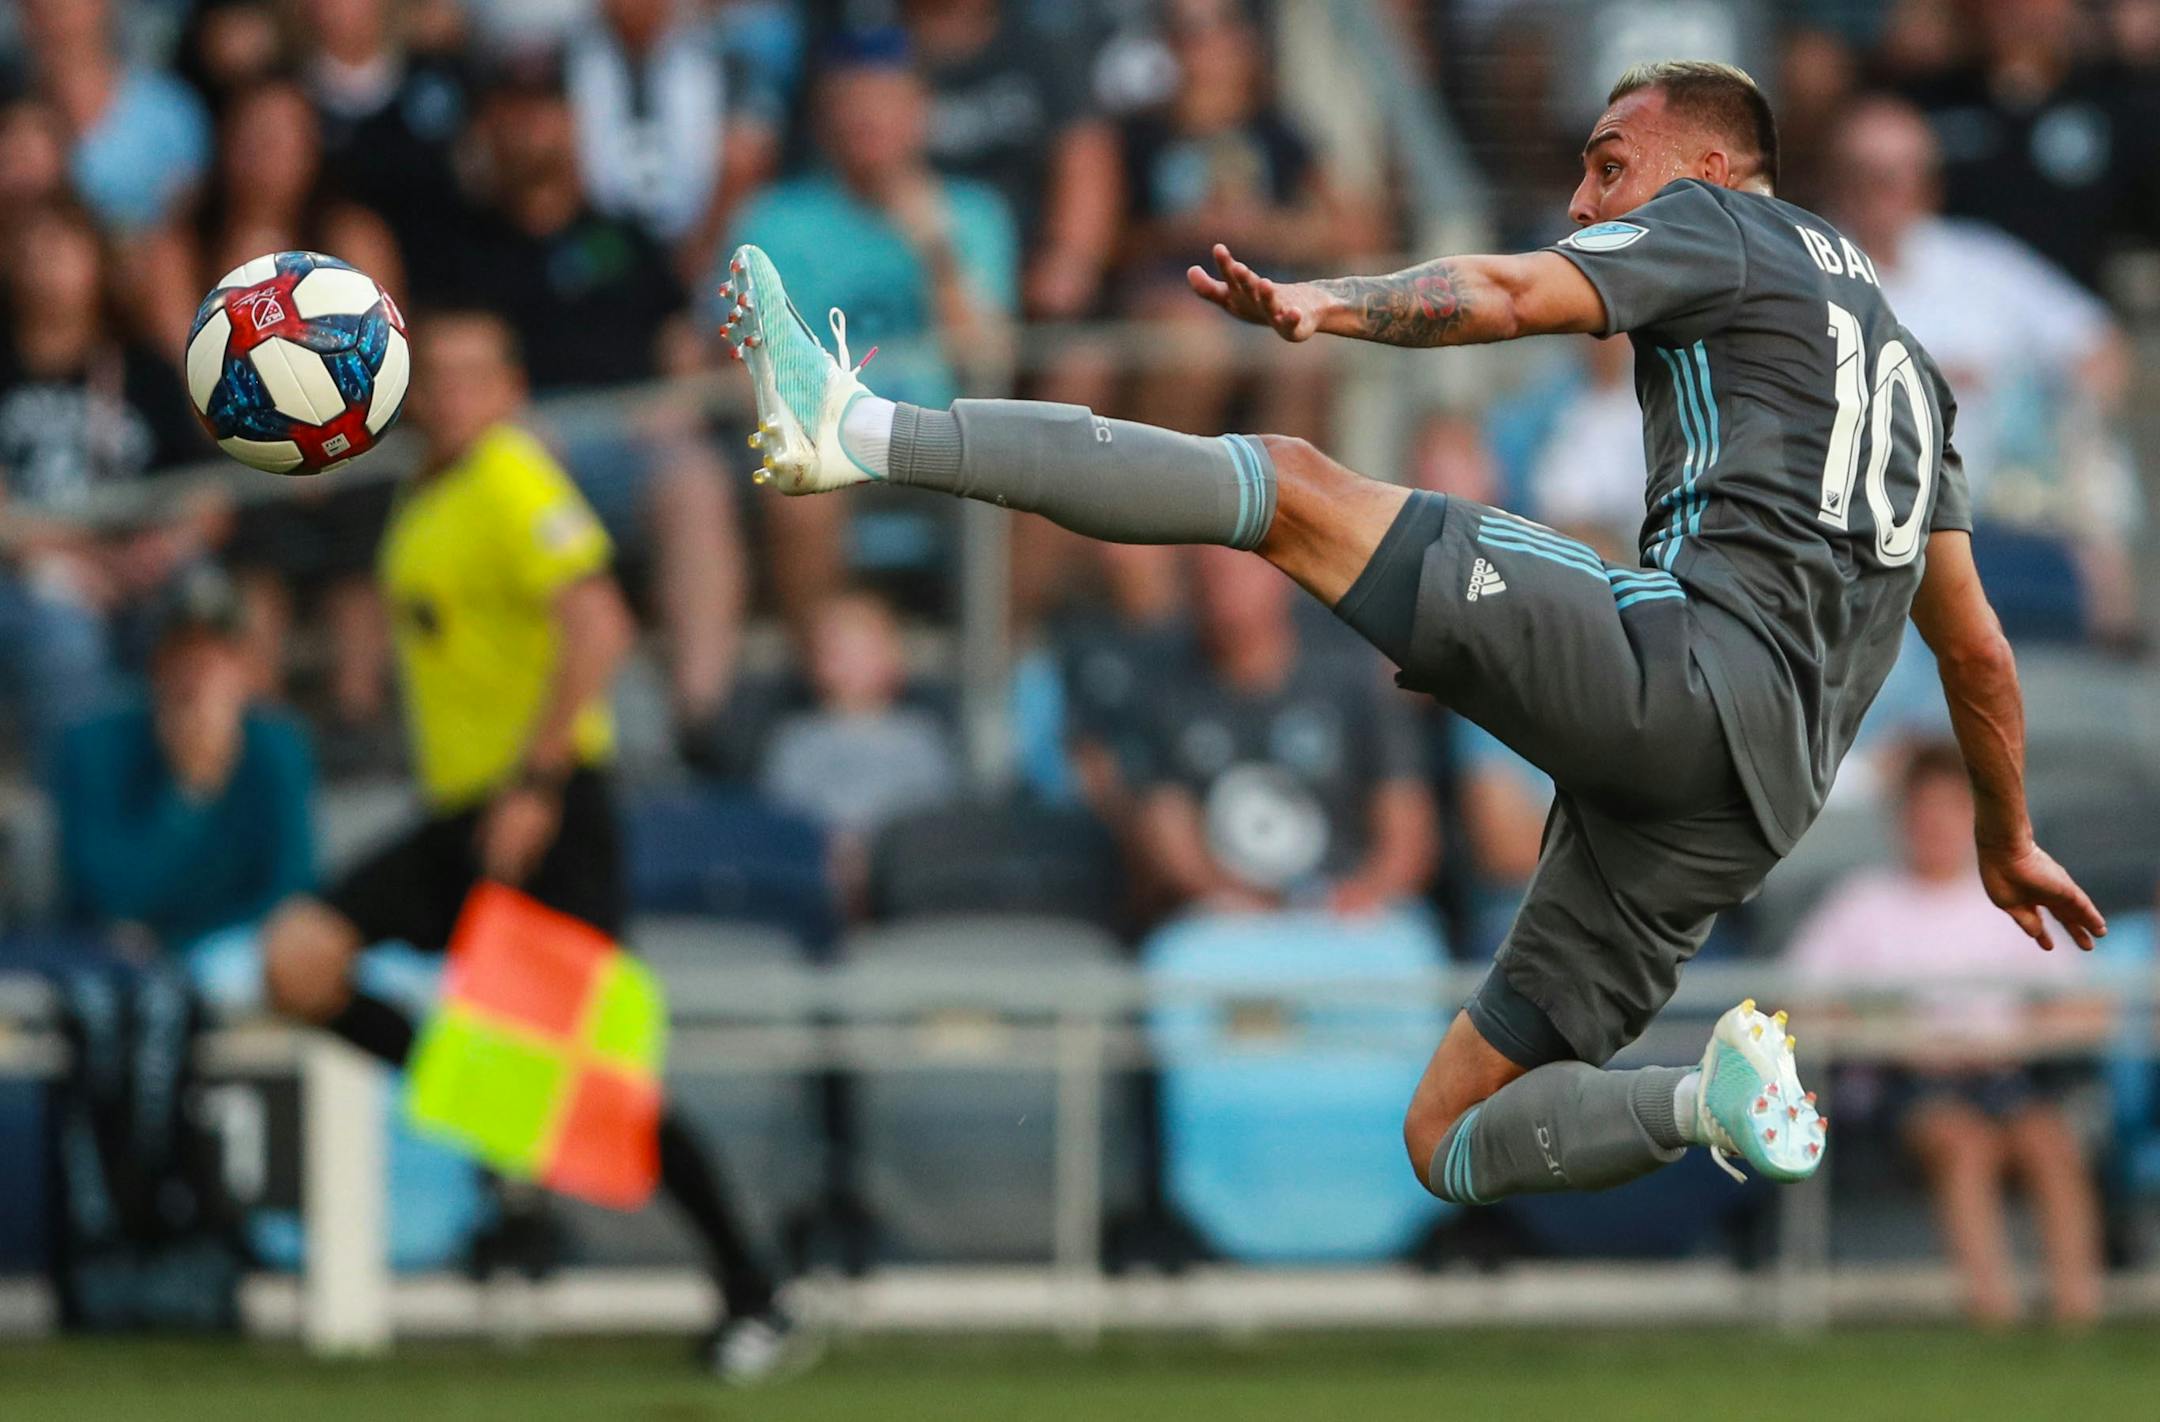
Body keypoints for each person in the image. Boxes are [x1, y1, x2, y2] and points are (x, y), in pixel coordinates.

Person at [716, 59, 2107, 1210]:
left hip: (1686, 670)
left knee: (1290, 481)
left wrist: (1337, 302)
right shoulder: (1917, 386)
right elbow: (1975, 651)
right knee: (1446, 1134)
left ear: (1705, 165)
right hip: (1752, 805)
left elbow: (1510, 295)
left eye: (1609, 164)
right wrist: (2007, 834)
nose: (1583, 198)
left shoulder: (1727, 226)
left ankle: (861, 428)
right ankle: (1711, 1098)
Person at [255, 311, 805, 1382]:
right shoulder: (429, 490)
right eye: (439, 376)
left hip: (542, 810)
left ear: (509, 389)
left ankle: (757, 1288)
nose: (452, 394)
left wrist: (541, 779)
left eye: (475, 375)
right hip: (466, 809)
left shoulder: (513, 478)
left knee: (603, 1090)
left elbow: (598, 622)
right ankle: (499, 1103)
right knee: (300, 964)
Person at [1787, 742, 2108, 1327]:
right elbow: (1796, 1004)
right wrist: (1893, 1036)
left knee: (2052, 1143)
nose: (1933, 823)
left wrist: (2007, 1041)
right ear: (1901, 817)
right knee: (1963, 1144)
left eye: (1949, 808)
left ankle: (2077, 1317)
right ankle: (1994, 1317)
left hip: (2007, 1078)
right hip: (1903, 1088)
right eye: (1922, 808)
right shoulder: (1861, 905)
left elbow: (2088, 1008)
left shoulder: (2013, 900)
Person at [1829, 94, 2139, 642]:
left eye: (1905, 173)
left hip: (2014, 500)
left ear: (1931, 181)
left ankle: (2104, 615)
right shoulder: (1811, 275)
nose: (1888, 190)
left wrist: (2064, 422)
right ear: (1837, 181)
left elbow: (2100, 346)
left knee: (2090, 464)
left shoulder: (1980, 262)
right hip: (1882, 517)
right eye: (1868, 174)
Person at [0, 201, 214, 755]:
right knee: (62, 639)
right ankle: (80, 800)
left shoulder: (142, 367)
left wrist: (164, 549)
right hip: (28, 569)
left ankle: (204, 775)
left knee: (207, 601)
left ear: (97, 261)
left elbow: (209, 491)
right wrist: (75, 563)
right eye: (28, 249)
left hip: (142, 559)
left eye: (60, 247)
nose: (42, 264)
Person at [1129, 543, 1436, 916]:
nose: (1222, 588)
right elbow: (1169, 838)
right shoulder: (1162, 691)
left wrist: (1365, 894)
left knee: (1406, 950)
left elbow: (1408, 830)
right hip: (1223, 918)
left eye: (1238, 571)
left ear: (1282, 576)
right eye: (1207, 573)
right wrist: (1233, 901)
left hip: (1355, 910)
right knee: (1179, 960)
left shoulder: (1355, 681)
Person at [50, 565, 315, 955]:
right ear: (156, 664)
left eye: (218, 656)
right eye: (184, 655)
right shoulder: (94, 746)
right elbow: (109, 897)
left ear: (244, 667)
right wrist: (188, 797)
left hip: (235, 947)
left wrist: (194, 940)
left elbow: (293, 888)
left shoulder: (278, 744)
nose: (200, 676)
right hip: (120, 962)